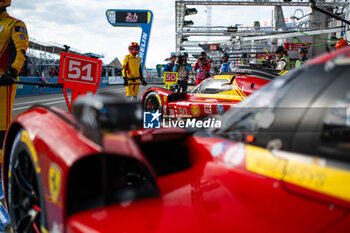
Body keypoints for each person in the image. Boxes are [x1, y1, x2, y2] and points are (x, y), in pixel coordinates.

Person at [0, 0, 29, 155]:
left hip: (2, 84)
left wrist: (11, 72)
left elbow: (20, 51)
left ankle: (2, 172)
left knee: (1, 129)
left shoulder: (15, 25)